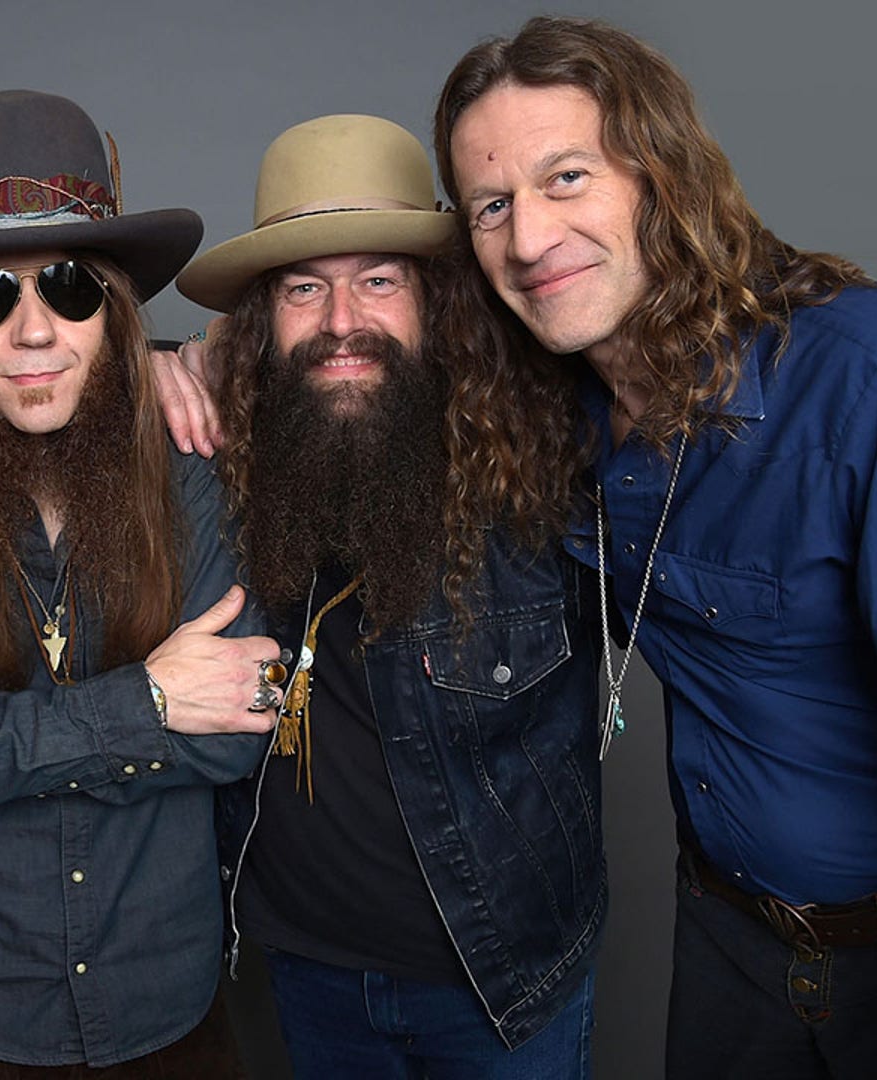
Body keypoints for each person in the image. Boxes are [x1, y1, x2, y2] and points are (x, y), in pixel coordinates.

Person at [434, 16, 877, 1079]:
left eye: (567, 178)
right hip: (729, 953)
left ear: (663, 173)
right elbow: (343, 360)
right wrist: (202, 359)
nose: (526, 239)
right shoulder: (545, 415)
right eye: (491, 206)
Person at [0, 89, 275, 1076]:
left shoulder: (197, 469)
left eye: (69, 287)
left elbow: (248, 729)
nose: (33, 333)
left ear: (114, 312)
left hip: (173, 1012)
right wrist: (156, 703)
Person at [166, 112, 603, 1077]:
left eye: (378, 281)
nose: (340, 323)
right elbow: (18, 372)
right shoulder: (222, 441)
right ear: (259, 322)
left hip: (503, 984)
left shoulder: (551, 449)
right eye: (302, 289)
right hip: (308, 976)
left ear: (435, 299)